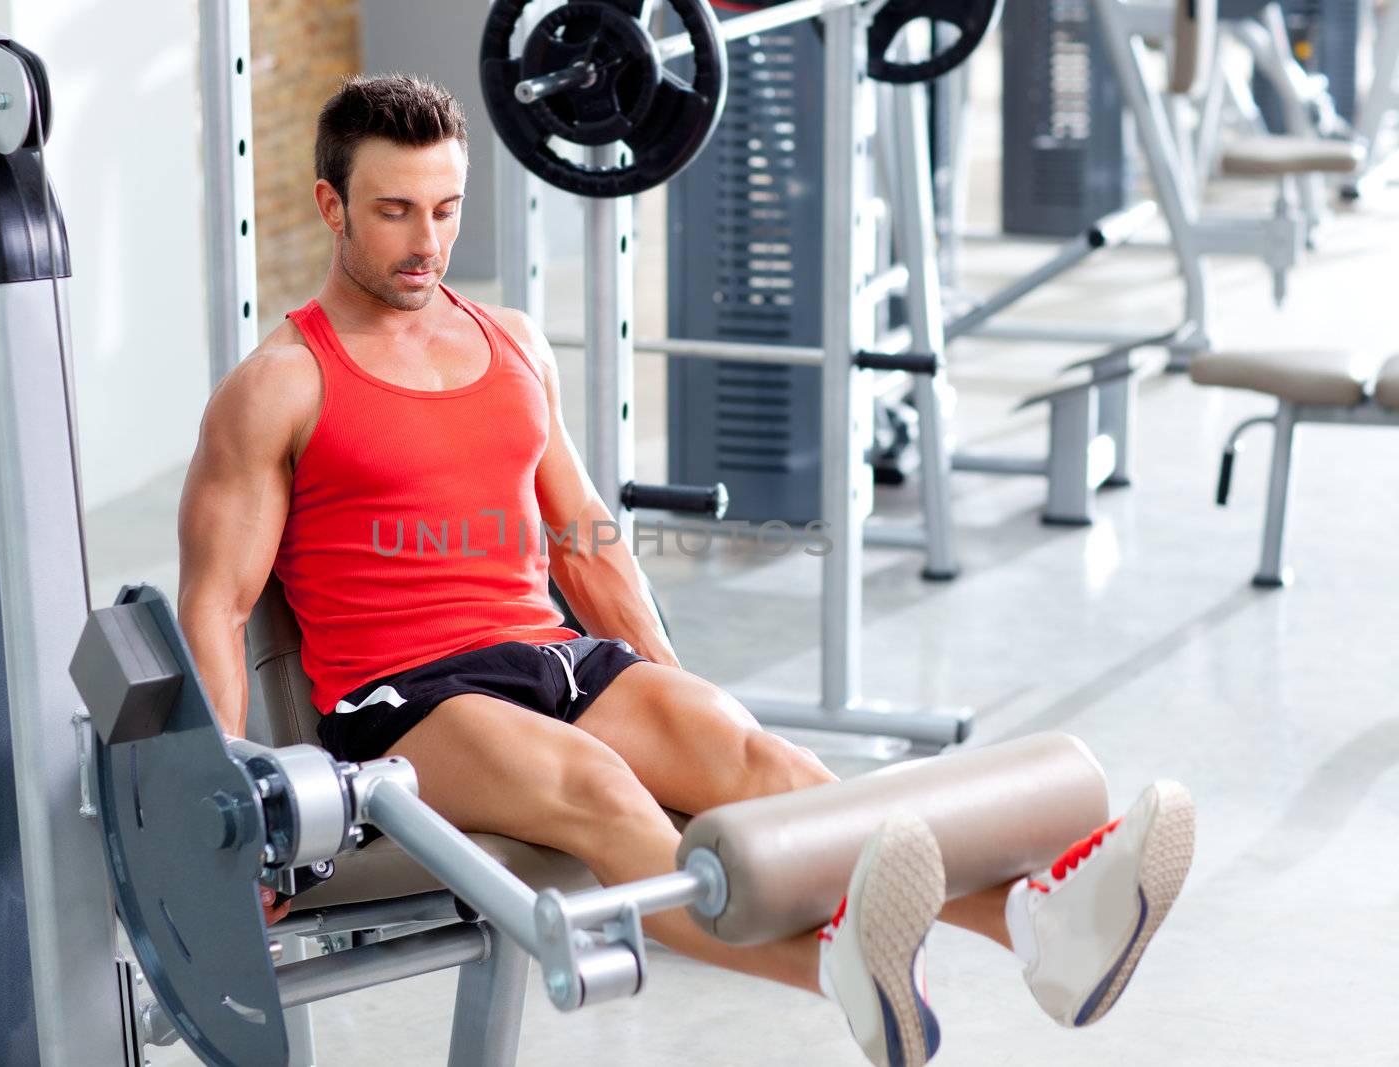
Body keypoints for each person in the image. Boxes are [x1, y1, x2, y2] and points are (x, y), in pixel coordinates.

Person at [175, 74, 1196, 1067]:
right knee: (600, 786)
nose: (426, 241)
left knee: (763, 766)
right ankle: (828, 969)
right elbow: (216, 605)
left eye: (444, 209)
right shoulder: (281, 382)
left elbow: (584, 535)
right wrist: (230, 819)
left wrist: (663, 679)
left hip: (555, 660)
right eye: (394, 212)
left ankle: (1034, 924)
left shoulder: (512, 343)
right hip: (404, 703)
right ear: (330, 205)